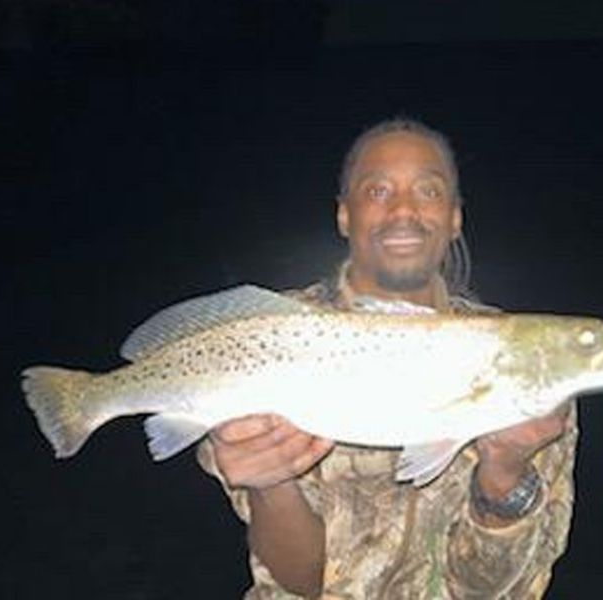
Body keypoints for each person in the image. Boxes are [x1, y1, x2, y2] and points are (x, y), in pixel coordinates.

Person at [196, 119, 577, 599]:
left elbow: (496, 593)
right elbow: (300, 583)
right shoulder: (265, 339)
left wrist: (504, 474)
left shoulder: (523, 362)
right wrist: (272, 487)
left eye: (429, 191)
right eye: (377, 191)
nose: (403, 211)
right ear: (343, 215)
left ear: (455, 216)